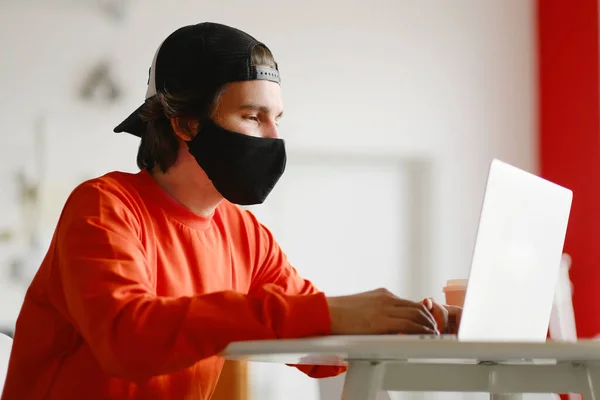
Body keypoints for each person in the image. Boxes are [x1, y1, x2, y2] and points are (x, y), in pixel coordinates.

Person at [1, 22, 461, 400]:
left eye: (277, 119)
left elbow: (319, 346)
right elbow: (128, 338)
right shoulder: (104, 207)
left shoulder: (245, 235)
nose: (272, 137)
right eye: (252, 116)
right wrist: (329, 313)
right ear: (183, 122)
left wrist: (421, 323)